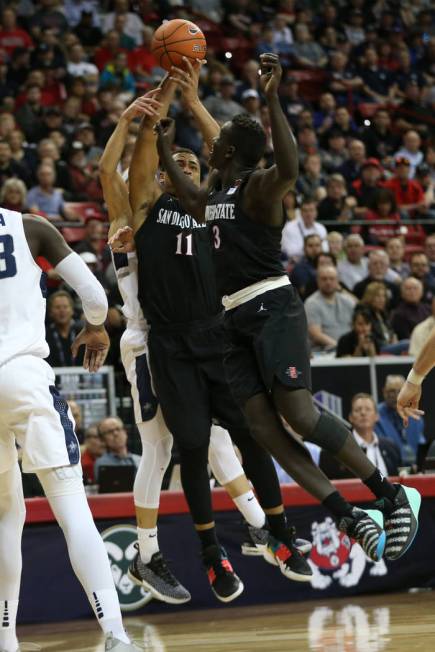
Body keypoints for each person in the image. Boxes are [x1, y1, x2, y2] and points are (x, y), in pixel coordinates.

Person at [156, 52, 421, 565]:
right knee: (262, 427)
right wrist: (164, 148)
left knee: (298, 413)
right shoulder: (216, 188)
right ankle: (348, 513)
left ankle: (388, 493)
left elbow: (292, 165)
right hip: (231, 319)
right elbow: (189, 194)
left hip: (272, 306)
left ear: (227, 149)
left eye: (217, 142)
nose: (209, 146)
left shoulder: (260, 188)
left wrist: (273, 98)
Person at [107, 83, 313, 602]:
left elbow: (227, 152)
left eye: (195, 161)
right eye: (177, 160)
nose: (188, 163)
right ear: (162, 174)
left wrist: (193, 103)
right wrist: (156, 116)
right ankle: (208, 554)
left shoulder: (214, 208)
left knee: (247, 433)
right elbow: (128, 170)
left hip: (217, 334)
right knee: (189, 448)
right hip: (168, 343)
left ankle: (277, 531)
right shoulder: (150, 207)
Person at [0, 209, 139, 650]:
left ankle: (7, 640)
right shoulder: (30, 226)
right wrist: (95, 327)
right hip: (23, 377)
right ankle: (114, 634)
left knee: (7, 514)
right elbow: (95, 294)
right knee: (72, 508)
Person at [319, 394, 402, 480]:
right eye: (358, 410)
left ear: (377, 417)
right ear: (350, 417)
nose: (363, 413)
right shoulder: (336, 449)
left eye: (368, 409)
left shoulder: (391, 447)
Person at [376, 376, 426, 466]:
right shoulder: (375, 416)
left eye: (400, 391)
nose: (396, 395)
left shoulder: (416, 418)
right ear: (384, 392)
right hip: (388, 468)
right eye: (391, 391)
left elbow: (421, 447)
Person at [305, 265, 356, 352]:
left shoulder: (348, 301)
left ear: (338, 281)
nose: (328, 282)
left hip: (348, 350)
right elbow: (316, 335)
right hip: (324, 352)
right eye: (324, 279)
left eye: (332, 279)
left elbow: (357, 326)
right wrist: (340, 347)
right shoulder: (311, 303)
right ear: (317, 281)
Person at [94, 416, 141, 482]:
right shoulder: (102, 463)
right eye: (110, 431)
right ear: (103, 439)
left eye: (118, 429)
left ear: (125, 432)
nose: (115, 433)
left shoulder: (140, 460)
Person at [281, 197, 327, 263]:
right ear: (300, 212)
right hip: (295, 263)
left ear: (316, 212)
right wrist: (314, 249)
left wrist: (310, 249)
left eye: (311, 210)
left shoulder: (321, 228)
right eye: (305, 210)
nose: (308, 214)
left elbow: (325, 249)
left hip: (318, 262)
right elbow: (289, 251)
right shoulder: (289, 227)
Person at [45, 290, 85, 367]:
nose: (62, 311)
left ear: (72, 310)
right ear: (50, 312)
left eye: (65, 307)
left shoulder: (83, 333)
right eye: (57, 307)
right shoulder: (44, 336)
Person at [290, 233, 323, 299]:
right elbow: (305, 292)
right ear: (304, 248)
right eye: (310, 246)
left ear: (321, 247)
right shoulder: (299, 268)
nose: (314, 249)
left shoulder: (325, 264)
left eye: (317, 245)